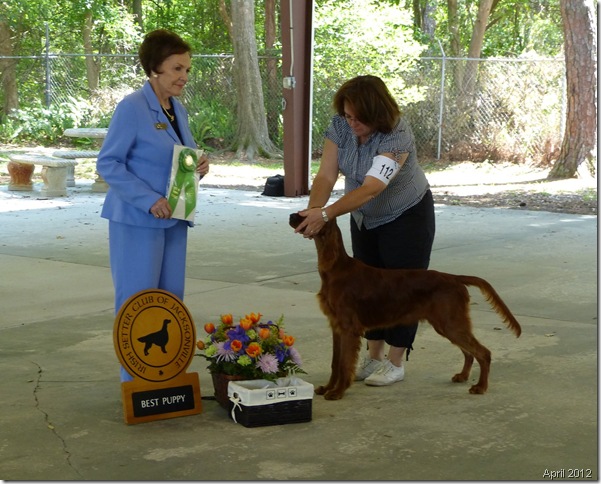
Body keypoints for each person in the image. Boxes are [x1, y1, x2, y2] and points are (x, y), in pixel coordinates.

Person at [294, 75, 435, 386]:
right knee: (367, 287)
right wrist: (312, 213)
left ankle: (396, 362)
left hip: (405, 214)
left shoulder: (397, 134)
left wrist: (327, 214)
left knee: (402, 288)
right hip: (363, 217)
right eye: (348, 116)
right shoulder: (341, 126)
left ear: (378, 113)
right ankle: (373, 358)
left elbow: (372, 187)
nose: (352, 123)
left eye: (360, 118)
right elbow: (326, 176)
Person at [96, 29, 209, 382]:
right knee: (137, 302)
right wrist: (149, 200)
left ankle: (166, 376)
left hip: (175, 219)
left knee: (171, 301)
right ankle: (135, 383)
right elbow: (109, 163)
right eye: (177, 68)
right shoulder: (131, 108)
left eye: (187, 70)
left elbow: (179, 158)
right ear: (154, 69)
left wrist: (199, 167)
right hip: (137, 220)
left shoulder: (179, 109)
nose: (184, 77)